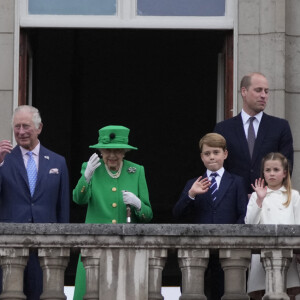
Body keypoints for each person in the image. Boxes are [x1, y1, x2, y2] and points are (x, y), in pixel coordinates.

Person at [73, 125, 153, 300]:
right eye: (107, 151)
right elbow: (79, 200)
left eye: (117, 151)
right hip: (95, 246)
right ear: (100, 151)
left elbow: (148, 214)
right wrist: (85, 178)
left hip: (126, 249)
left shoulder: (136, 171)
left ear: (125, 151)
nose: (112, 155)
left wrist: (138, 204)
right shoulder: (91, 168)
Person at [0, 105, 70, 299]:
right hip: (9, 250)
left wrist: (63, 245)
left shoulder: (58, 162)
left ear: (39, 128)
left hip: (46, 251)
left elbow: (62, 208)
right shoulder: (4, 160)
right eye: (17, 127)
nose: (21, 132)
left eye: (26, 126)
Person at [173, 133, 248, 300]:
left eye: (216, 152)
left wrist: (233, 239)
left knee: (224, 292)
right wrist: (191, 195)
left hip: (227, 250)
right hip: (198, 250)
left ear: (225, 154)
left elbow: (243, 214)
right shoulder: (194, 183)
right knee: (193, 293)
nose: (212, 157)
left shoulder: (236, 182)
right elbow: (178, 214)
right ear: (201, 157)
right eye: (207, 154)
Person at [214, 72, 293, 194]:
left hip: (269, 202)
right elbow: (217, 167)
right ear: (244, 92)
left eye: (266, 91)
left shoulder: (280, 127)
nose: (263, 95)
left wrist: (267, 195)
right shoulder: (223, 129)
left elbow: (287, 167)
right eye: (258, 90)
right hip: (234, 203)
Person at [245, 152, 300, 300]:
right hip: (261, 254)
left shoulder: (293, 196)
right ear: (263, 173)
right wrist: (259, 201)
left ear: (284, 173)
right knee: (261, 293)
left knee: (288, 292)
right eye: (268, 170)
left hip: (288, 254)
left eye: (276, 170)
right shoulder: (257, 195)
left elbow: (298, 224)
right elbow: (249, 224)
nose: (271, 174)